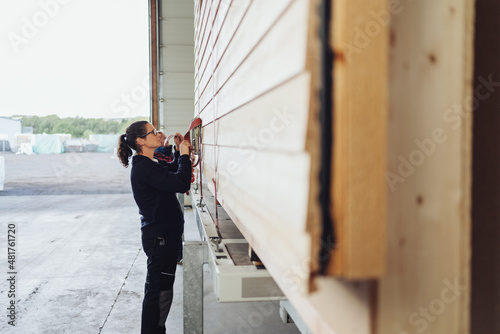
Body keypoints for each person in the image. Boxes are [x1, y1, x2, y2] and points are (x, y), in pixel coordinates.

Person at [117, 120, 191, 334]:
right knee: (159, 294)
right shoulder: (145, 168)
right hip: (161, 240)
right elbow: (181, 183)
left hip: (162, 238)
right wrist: (185, 154)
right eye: (153, 132)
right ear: (141, 141)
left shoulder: (149, 164)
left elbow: (173, 171)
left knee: (160, 291)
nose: (158, 134)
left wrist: (179, 152)